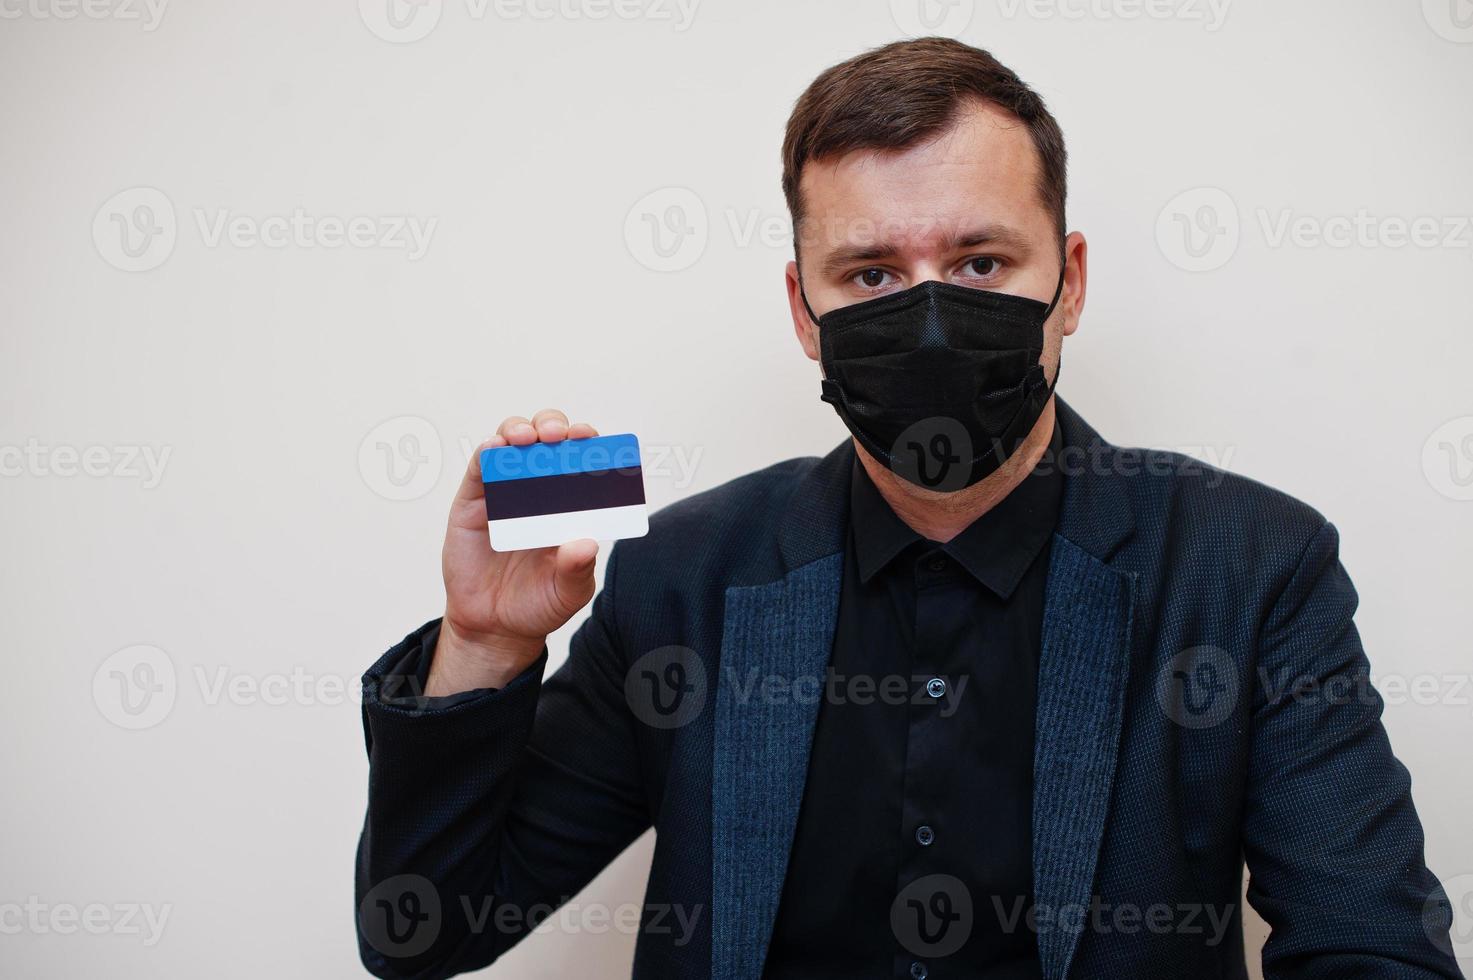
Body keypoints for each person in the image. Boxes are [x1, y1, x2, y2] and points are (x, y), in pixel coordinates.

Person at [354, 37, 1463, 980]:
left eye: (981, 261)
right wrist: (483, 644)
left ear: (1068, 283)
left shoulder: (1249, 568)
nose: (931, 317)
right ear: (802, 306)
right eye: (873, 275)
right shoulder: (684, 575)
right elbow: (425, 929)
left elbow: (1373, 948)